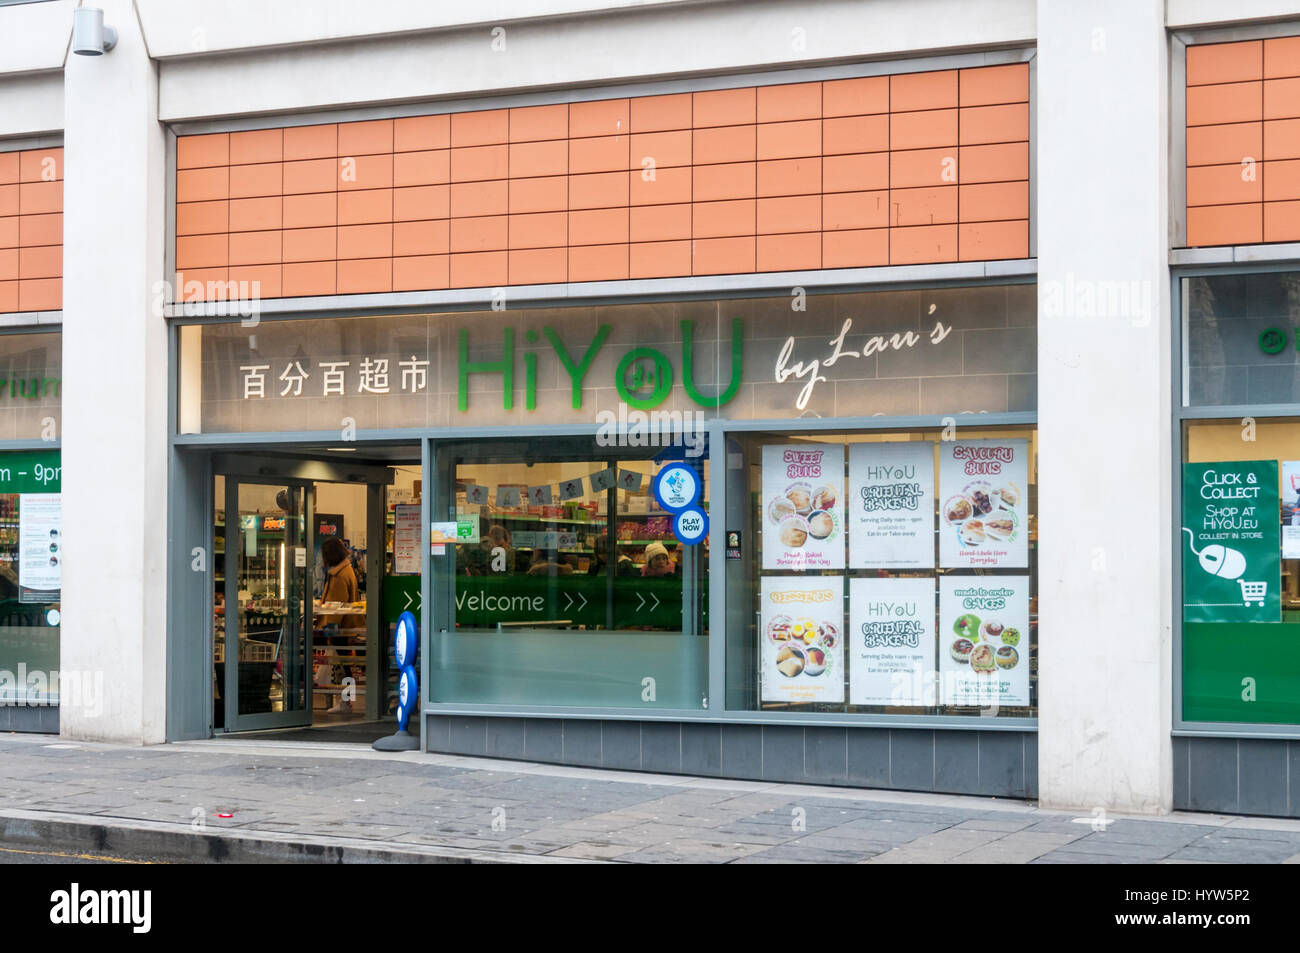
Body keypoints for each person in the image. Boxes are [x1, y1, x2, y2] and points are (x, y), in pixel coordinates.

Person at [320, 536, 359, 714]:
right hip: (348, 627)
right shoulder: (346, 570)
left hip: (339, 630)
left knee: (342, 666)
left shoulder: (337, 576)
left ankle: (345, 702)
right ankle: (345, 701)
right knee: (344, 665)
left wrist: (329, 632)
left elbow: (336, 608)